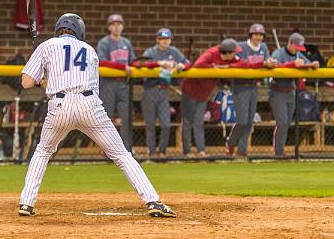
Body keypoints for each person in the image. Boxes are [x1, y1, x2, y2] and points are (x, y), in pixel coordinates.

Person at [18, 14, 176, 218]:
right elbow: (89, 84)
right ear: (79, 31)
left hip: (59, 105)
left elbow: (26, 83)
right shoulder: (90, 50)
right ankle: (153, 201)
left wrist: (42, 79)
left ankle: (26, 203)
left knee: (43, 151)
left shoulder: (46, 45)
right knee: (121, 154)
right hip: (89, 104)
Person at [180, 38, 243, 157]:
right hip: (190, 91)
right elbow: (199, 64)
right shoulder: (211, 53)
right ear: (227, 52)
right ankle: (187, 151)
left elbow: (242, 63)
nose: (236, 54)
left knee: (199, 121)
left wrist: (227, 67)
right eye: (234, 52)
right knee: (187, 121)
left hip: (204, 94)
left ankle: (201, 150)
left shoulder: (232, 59)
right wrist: (216, 67)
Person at [227, 23, 277, 158]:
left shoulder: (264, 47)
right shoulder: (241, 46)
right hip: (241, 86)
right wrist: (263, 64)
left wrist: (270, 61)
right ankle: (231, 143)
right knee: (242, 121)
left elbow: (267, 60)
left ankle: (242, 150)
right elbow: (242, 65)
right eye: (255, 34)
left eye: (261, 35)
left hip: (254, 86)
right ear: (250, 35)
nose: (258, 37)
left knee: (249, 122)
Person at [269, 33, 320, 158]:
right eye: (296, 46)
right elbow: (275, 70)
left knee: (286, 123)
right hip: (278, 91)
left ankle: (280, 150)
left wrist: (313, 64)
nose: (297, 49)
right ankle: (278, 151)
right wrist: (292, 65)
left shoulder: (298, 54)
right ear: (290, 43)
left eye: (299, 47)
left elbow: (307, 64)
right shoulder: (278, 53)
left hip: (291, 92)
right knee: (282, 122)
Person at [140, 28, 189, 157]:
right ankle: (151, 152)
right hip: (150, 89)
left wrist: (182, 66)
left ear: (170, 40)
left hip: (164, 91)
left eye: (167, 39)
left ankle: (162, 151)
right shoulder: (151, 51)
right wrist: (158, 63)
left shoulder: (174, 52)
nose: (164, 41)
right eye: (162, 39)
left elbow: (187, 63)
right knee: (150, 125)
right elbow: (142, 64)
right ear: (157, 40)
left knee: (166, 124)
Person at [96, 14, 136, 150]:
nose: (116, 27)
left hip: (123, 84)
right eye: (113, 24)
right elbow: (102, 62)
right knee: (107, 118)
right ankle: (107, 150)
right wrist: (122, 67)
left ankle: (125, 148)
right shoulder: (104, 43)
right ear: (109, 27)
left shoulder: (126, 43)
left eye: (119, 24)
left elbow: (133, 61)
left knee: (126, 117)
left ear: (123, 26)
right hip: (108, 84)